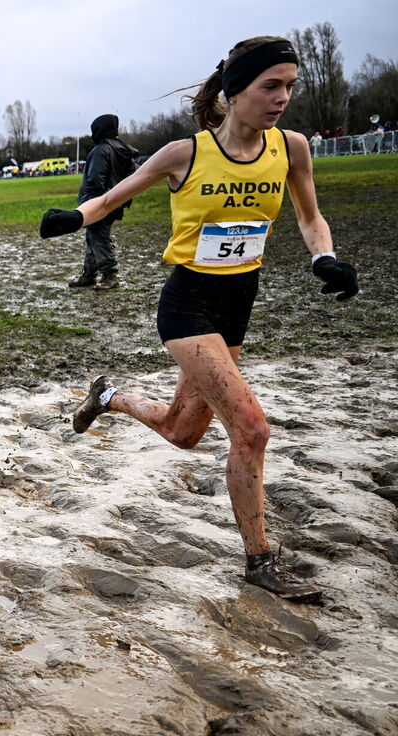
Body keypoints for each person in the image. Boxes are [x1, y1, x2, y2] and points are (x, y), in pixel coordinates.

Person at [39, 36, 359, 602]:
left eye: (290, 86)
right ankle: (260, 560)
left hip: (239, 302)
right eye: (271, 86)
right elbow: (113, 197)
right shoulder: (184, 153)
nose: (283, 97)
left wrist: (324, 258)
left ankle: (108, 396)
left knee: (182, 431)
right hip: (188, 304)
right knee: (252, 430)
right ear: (235, 91)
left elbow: (312, 217)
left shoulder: (292, 148)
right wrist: (73, 216)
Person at [69, 114, 140, 290]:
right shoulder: (123, 150)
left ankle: (110, 276)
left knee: (99, 238)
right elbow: (132, 176)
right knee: (93, 237)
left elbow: (95, 180)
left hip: (99, 202)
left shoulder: (101, 150)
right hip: (115, 200)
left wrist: (89, 205)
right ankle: (89, 273)